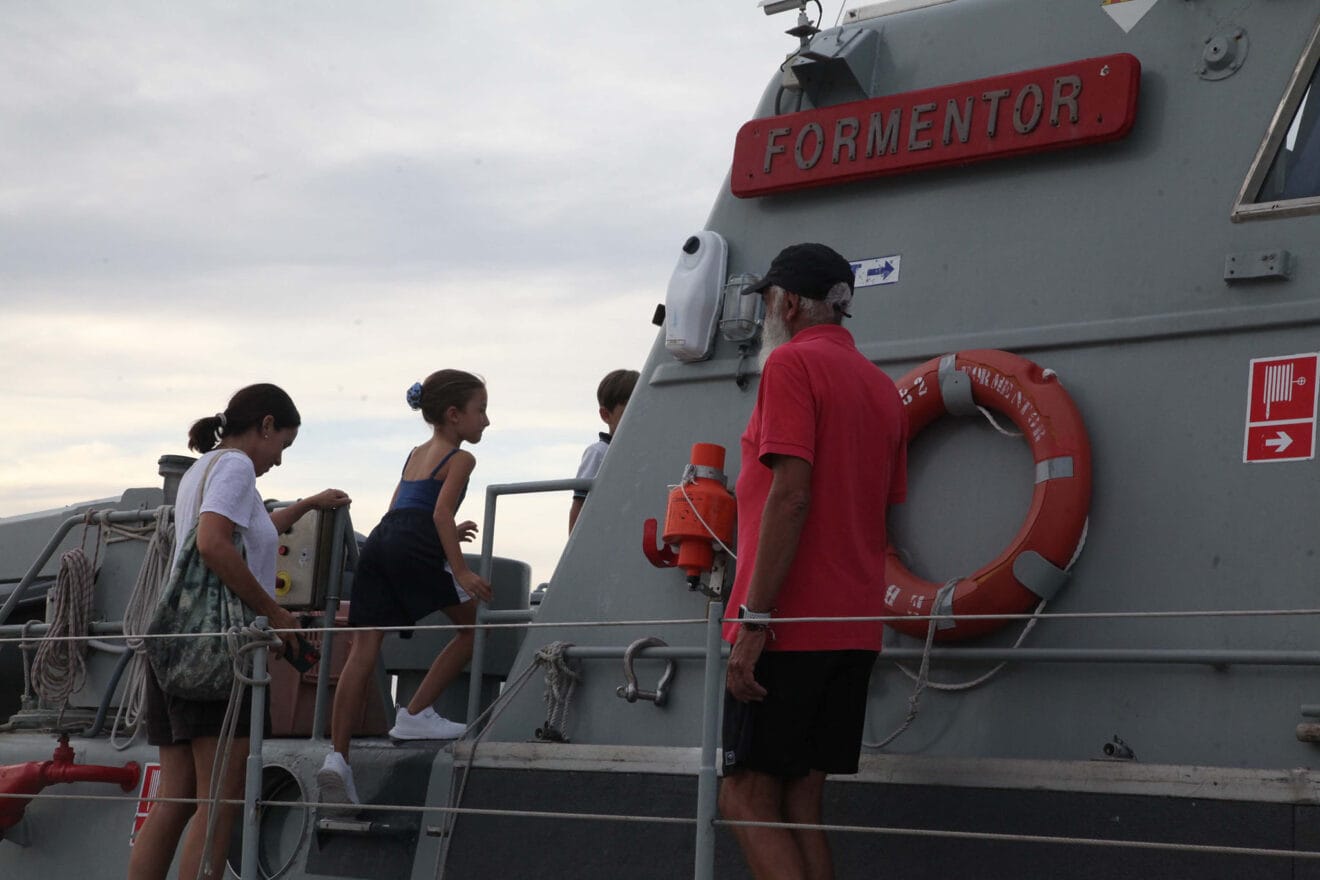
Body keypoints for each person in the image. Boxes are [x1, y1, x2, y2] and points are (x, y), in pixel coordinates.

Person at [718, 243, 907, 880]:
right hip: (854, 630)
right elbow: (882, 510)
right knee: (802, 801)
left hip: (789, 628)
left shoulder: (791, 367)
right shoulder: (883, 390)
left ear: (789, 302)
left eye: (771, 299)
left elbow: (792, 496)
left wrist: (755, 620)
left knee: (744, 795)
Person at [128, 383, 351, 880]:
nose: (279, 460)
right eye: (282, 446)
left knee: (177, 798)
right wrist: (274, 612)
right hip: (218, 653)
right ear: (266, 425)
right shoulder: (235, 467)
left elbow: (250, 528)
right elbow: (213, 543)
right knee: (221, 799)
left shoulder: (205, 468)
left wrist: (306, 505)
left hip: (175, 645)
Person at [318, 369, 493, 809]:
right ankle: (414, 714)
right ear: (454, 415)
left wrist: (451, 528)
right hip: (415, 543)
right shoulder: (461, 459)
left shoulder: (415, 452)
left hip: (382, 542)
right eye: (481, 411)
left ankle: (337, 758)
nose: (486, 421)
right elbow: (436, 515)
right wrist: (462, 571)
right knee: (472, 631)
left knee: (363, 650)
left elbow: (402, 508)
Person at [568, 368, 639, 533]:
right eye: (629, 411)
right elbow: (580, 502)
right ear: (606, 415)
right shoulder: (599, 453)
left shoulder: (643, 454)